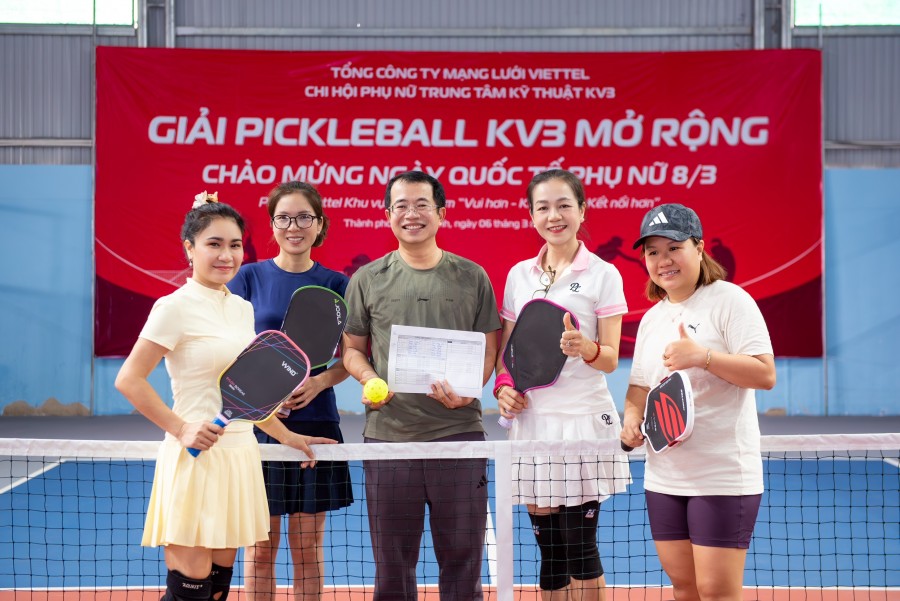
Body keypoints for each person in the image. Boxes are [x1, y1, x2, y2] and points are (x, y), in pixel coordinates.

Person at [115, 192, 334, 601]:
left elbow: (248, 393)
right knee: (190, 593)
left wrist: (287, 436)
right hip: (195, 459)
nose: (226, 255)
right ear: (190, 248)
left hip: (238, 458)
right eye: (213, 244)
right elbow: (129, 379)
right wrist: (181, 428)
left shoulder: (240, 309)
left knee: (217, 590)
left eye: (234, 245)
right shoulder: (172, 307)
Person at [342, 170, 501, 601]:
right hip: (389, 439)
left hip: (459, 435)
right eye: (401, 206)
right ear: (387, 215)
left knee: (463, 561)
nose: (411, 214)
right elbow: (352, 349)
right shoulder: (367, 279)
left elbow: (489, 349)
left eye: (421, 205)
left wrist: (470, 390)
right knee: (392, 566)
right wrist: (368, 376)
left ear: (441, 214)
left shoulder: (473, 276)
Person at [620, 203, 776, 601]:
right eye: (653, 252)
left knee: (715, 591)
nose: (663, 260)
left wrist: (703, 357)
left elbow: (765, 374)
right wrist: (632, 417)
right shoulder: (653, 318)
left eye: (674, 247)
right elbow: (639, 385)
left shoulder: (730, 300)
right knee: (684, 588)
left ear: (700, 247)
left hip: (721, 475)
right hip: (664, 476)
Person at [494, 169, 630, 601]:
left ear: (582, 211)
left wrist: (586, 347)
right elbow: (508, 351)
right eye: (543, 207)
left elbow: (610, 358)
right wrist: (503, 387)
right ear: (531, 215)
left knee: (580, 549)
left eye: (564, 205)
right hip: (533, 423)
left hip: (581, 421)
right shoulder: (519, 275)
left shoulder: (604, 274)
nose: (554, 216)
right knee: (550, 553)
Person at [228, 181, 353, 601]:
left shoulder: (337, 284)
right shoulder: (248, 277)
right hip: (258, 426)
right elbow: (231, 348)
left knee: (307, 550)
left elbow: (351, 358)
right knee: (260, 549)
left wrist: (319, 382)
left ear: (320, 224)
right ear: (272, 225)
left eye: (303, 217)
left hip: (316, 424)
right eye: (283, 218)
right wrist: (264, 392)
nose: (293, 226)